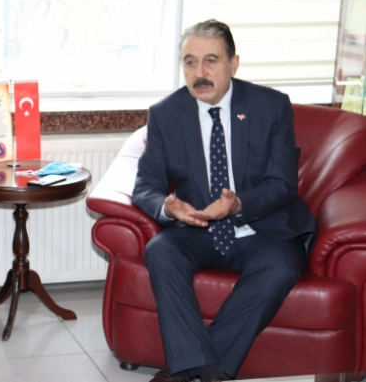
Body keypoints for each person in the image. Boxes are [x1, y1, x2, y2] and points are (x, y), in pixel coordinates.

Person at [133, 19, 315, 382]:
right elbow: (145, 186)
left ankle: (190, 368)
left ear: (233, 64)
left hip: (261, 228)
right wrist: (167, 206)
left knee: (282, 265)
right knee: (160, 250)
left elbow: (283, 185)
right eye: (190, 62)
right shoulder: (165, 114)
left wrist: (238, 204)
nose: (199, 73)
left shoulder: (271, 106)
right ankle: (208, 371)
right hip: (198, 228)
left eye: (211, 61)